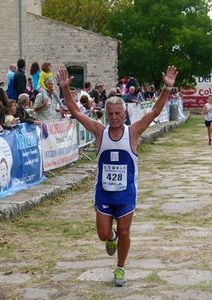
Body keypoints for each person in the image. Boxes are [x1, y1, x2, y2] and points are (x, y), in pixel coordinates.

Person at [56, 65, 178, 287]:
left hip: (126, 194)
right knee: (104, 234)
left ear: (124, 114)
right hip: (104, 194)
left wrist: (167, 88)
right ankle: (110, 239)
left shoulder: (133, 132)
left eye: (117, 114)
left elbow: (155, 111)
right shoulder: (99, 131)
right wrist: (65, 89)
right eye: (110, 114)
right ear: (106, 114)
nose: (113, 117)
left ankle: (120, 268)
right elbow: (75, 111)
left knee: (124, 230)